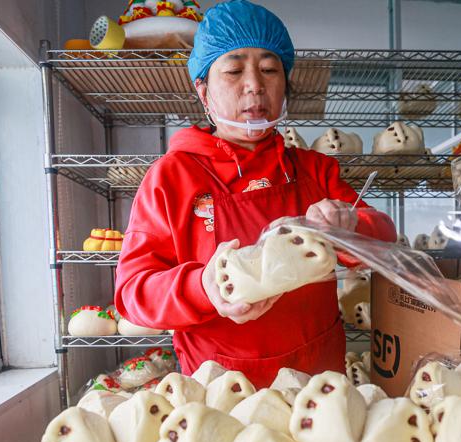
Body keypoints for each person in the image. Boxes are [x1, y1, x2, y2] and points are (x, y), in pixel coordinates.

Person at [115, 0, 395, 387]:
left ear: (285, 85)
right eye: (233, 70)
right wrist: (204, 288)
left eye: (269, 69)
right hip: (219, 391)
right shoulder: (171, 178)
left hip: (316, 383)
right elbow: (133, 293)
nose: (254, 85)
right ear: (202, 89)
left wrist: (350, 227)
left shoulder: (313, 169)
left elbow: (383, 234)